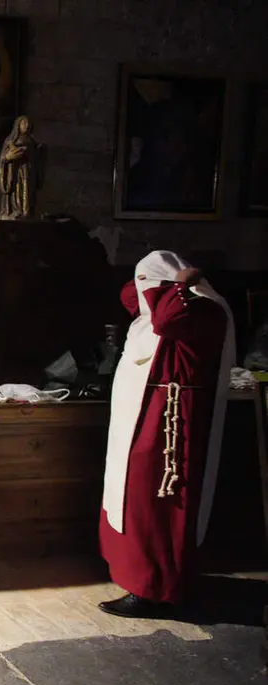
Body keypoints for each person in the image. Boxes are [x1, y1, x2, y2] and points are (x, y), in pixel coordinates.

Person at [99, 250, 234, 618]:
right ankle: (141, 579)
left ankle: (158, 587)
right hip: (150, 414)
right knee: (135, 499)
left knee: (156, 506)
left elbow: (168, 320)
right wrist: (159, 280)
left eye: (152, 285)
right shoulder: (159, 306)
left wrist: (179, 283)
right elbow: (131, 295)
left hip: (173, 420)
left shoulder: (199, 309)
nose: (145, 295)